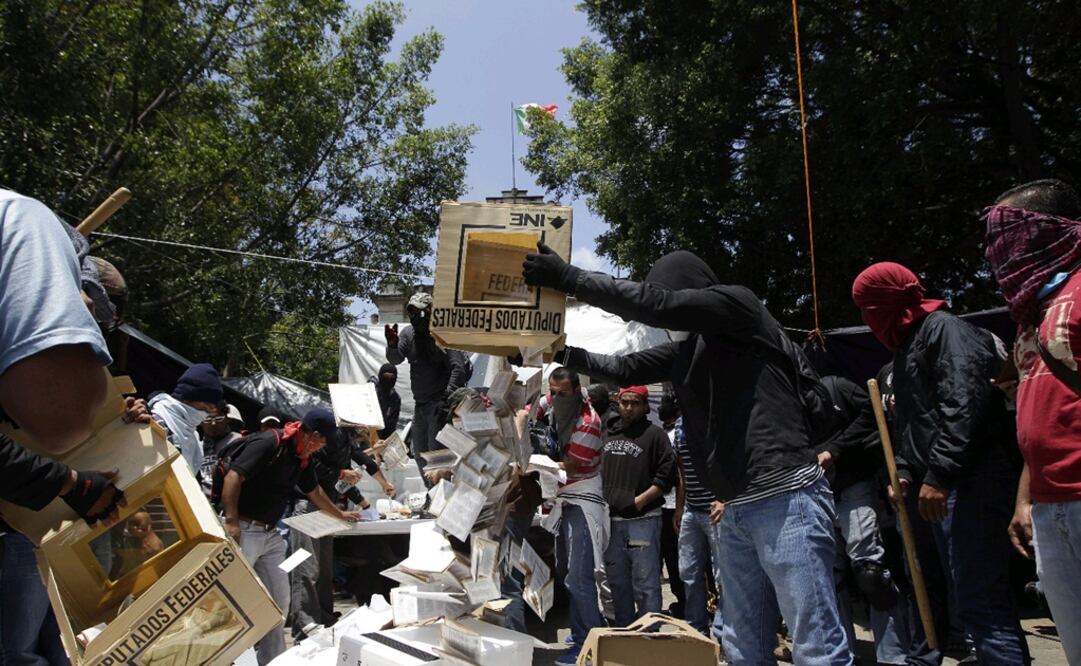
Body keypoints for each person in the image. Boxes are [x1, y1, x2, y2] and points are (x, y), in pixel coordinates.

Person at [521, 245, 851, 665]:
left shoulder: (739, 307)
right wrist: (556, 352)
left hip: (786, 496)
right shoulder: (688, 350)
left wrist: (569, 278)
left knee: (815, 643)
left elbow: (659, 305)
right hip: (735, 507)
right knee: (743, 643)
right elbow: (623, 369)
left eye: (667, 296)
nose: (663, 319)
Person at [851, 261, 1028, 665]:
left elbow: (965, 405)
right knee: (956, 594)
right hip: (938, 488)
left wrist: (940, 475)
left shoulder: (945, 331)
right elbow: (915, 426)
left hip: (971, 483)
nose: (865, 319)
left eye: (867, 308)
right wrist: (906, 472)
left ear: (887, 303)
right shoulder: (906, 349)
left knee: (982, 601)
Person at [0, 188, 139, 666]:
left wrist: (126, 424)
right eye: (90, 313)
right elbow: (63, 419)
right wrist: (71, 483)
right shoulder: (21, 220)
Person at [984, 178, 1081, 664]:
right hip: (1049, 506)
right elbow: (1037, 421)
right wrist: (1026, 498)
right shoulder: (1030, 317)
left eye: (1006, 237)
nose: (995, 253)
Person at [220, 407, 360, 665]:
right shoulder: (269, 443)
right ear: (313, 436)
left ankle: (272, 660)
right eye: (322, 443)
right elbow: (233, 476)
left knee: (278, 602)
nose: (321, 449)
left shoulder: (301, 458)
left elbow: (315, 492)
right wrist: (231, 521)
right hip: (244, 529)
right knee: (232, 600)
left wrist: (340, 515)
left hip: (270, 533)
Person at [818, 375, 911, 666]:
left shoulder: (836, 387)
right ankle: (842, 653)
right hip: (817, 493)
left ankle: (893, 656)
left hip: (854, 484)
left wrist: (834, 449)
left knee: (871, 572)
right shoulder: (781, 400)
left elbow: (873, 416)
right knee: (828, 578)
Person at [541, 367, 607, 666]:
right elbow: (531, 407)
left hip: (582, 499)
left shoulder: (588, 422)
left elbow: (573, 466)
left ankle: (589, 645)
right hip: (565, 499)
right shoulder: (553, 402)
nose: (556, 399)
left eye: (562, 394)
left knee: (579, 578)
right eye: (553, 392)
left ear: (577, 390)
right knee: (566, 571)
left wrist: (535, 463)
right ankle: (585, 629)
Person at [601, 385, 676, 626]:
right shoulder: (608, 433)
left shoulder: (655, 435)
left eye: (635, 403)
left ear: (645, 407)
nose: (629, 408)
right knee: (617, 583)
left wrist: (640, 501)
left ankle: (648, 633)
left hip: (643, 520)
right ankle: (625, 633)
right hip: (611, 522)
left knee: (646, 584)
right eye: (625, 402)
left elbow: (666, 477)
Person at [384, 292, 470, 477]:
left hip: (439, 404)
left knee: (437, 455)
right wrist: (392, 345)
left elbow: (458, 368)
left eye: (421, 312)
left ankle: (441, 490)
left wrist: (446, 399)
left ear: (431, 311)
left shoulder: (443, 334)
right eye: (412, 312)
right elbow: (396, 359)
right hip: (420, 405)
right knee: (420, 453)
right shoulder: (409, 333)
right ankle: (431, 490)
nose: (416, 317)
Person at [673, 415, 726, 641]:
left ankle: (724, 634)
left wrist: (724, 499)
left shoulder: (716, 418)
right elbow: (682, 469)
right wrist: (680, 506)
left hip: (716, 510)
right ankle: (697, 631)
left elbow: (730, 460)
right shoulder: (679, 425)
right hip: (691, 509)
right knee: (689, 572)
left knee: (723, 576)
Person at [148, 363, 223, 474]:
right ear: (193, 397)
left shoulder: (193, 434)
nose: (208, 412)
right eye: (207, 405)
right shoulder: (157, 420)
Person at [657, 396, 686, 618]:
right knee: (670, 557)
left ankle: (686, 603)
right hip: (667, 506)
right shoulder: (665, 434)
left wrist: (679, 507)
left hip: (675, 505)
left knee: (676, 559)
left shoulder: (678, 433)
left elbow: (680, 475)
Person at [199, 402, 243, 500]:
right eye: (208, 420)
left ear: (227, 419)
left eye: (218, 419)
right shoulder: (197, 446)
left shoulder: (238, 443)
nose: (213, 423)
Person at [371, 363, 401, 439]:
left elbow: (391, 425)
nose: (389, 380)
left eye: (392, 377)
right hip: (363, 435)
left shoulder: (395, 399)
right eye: (386, 376)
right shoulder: (370, 391)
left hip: (379, 438)